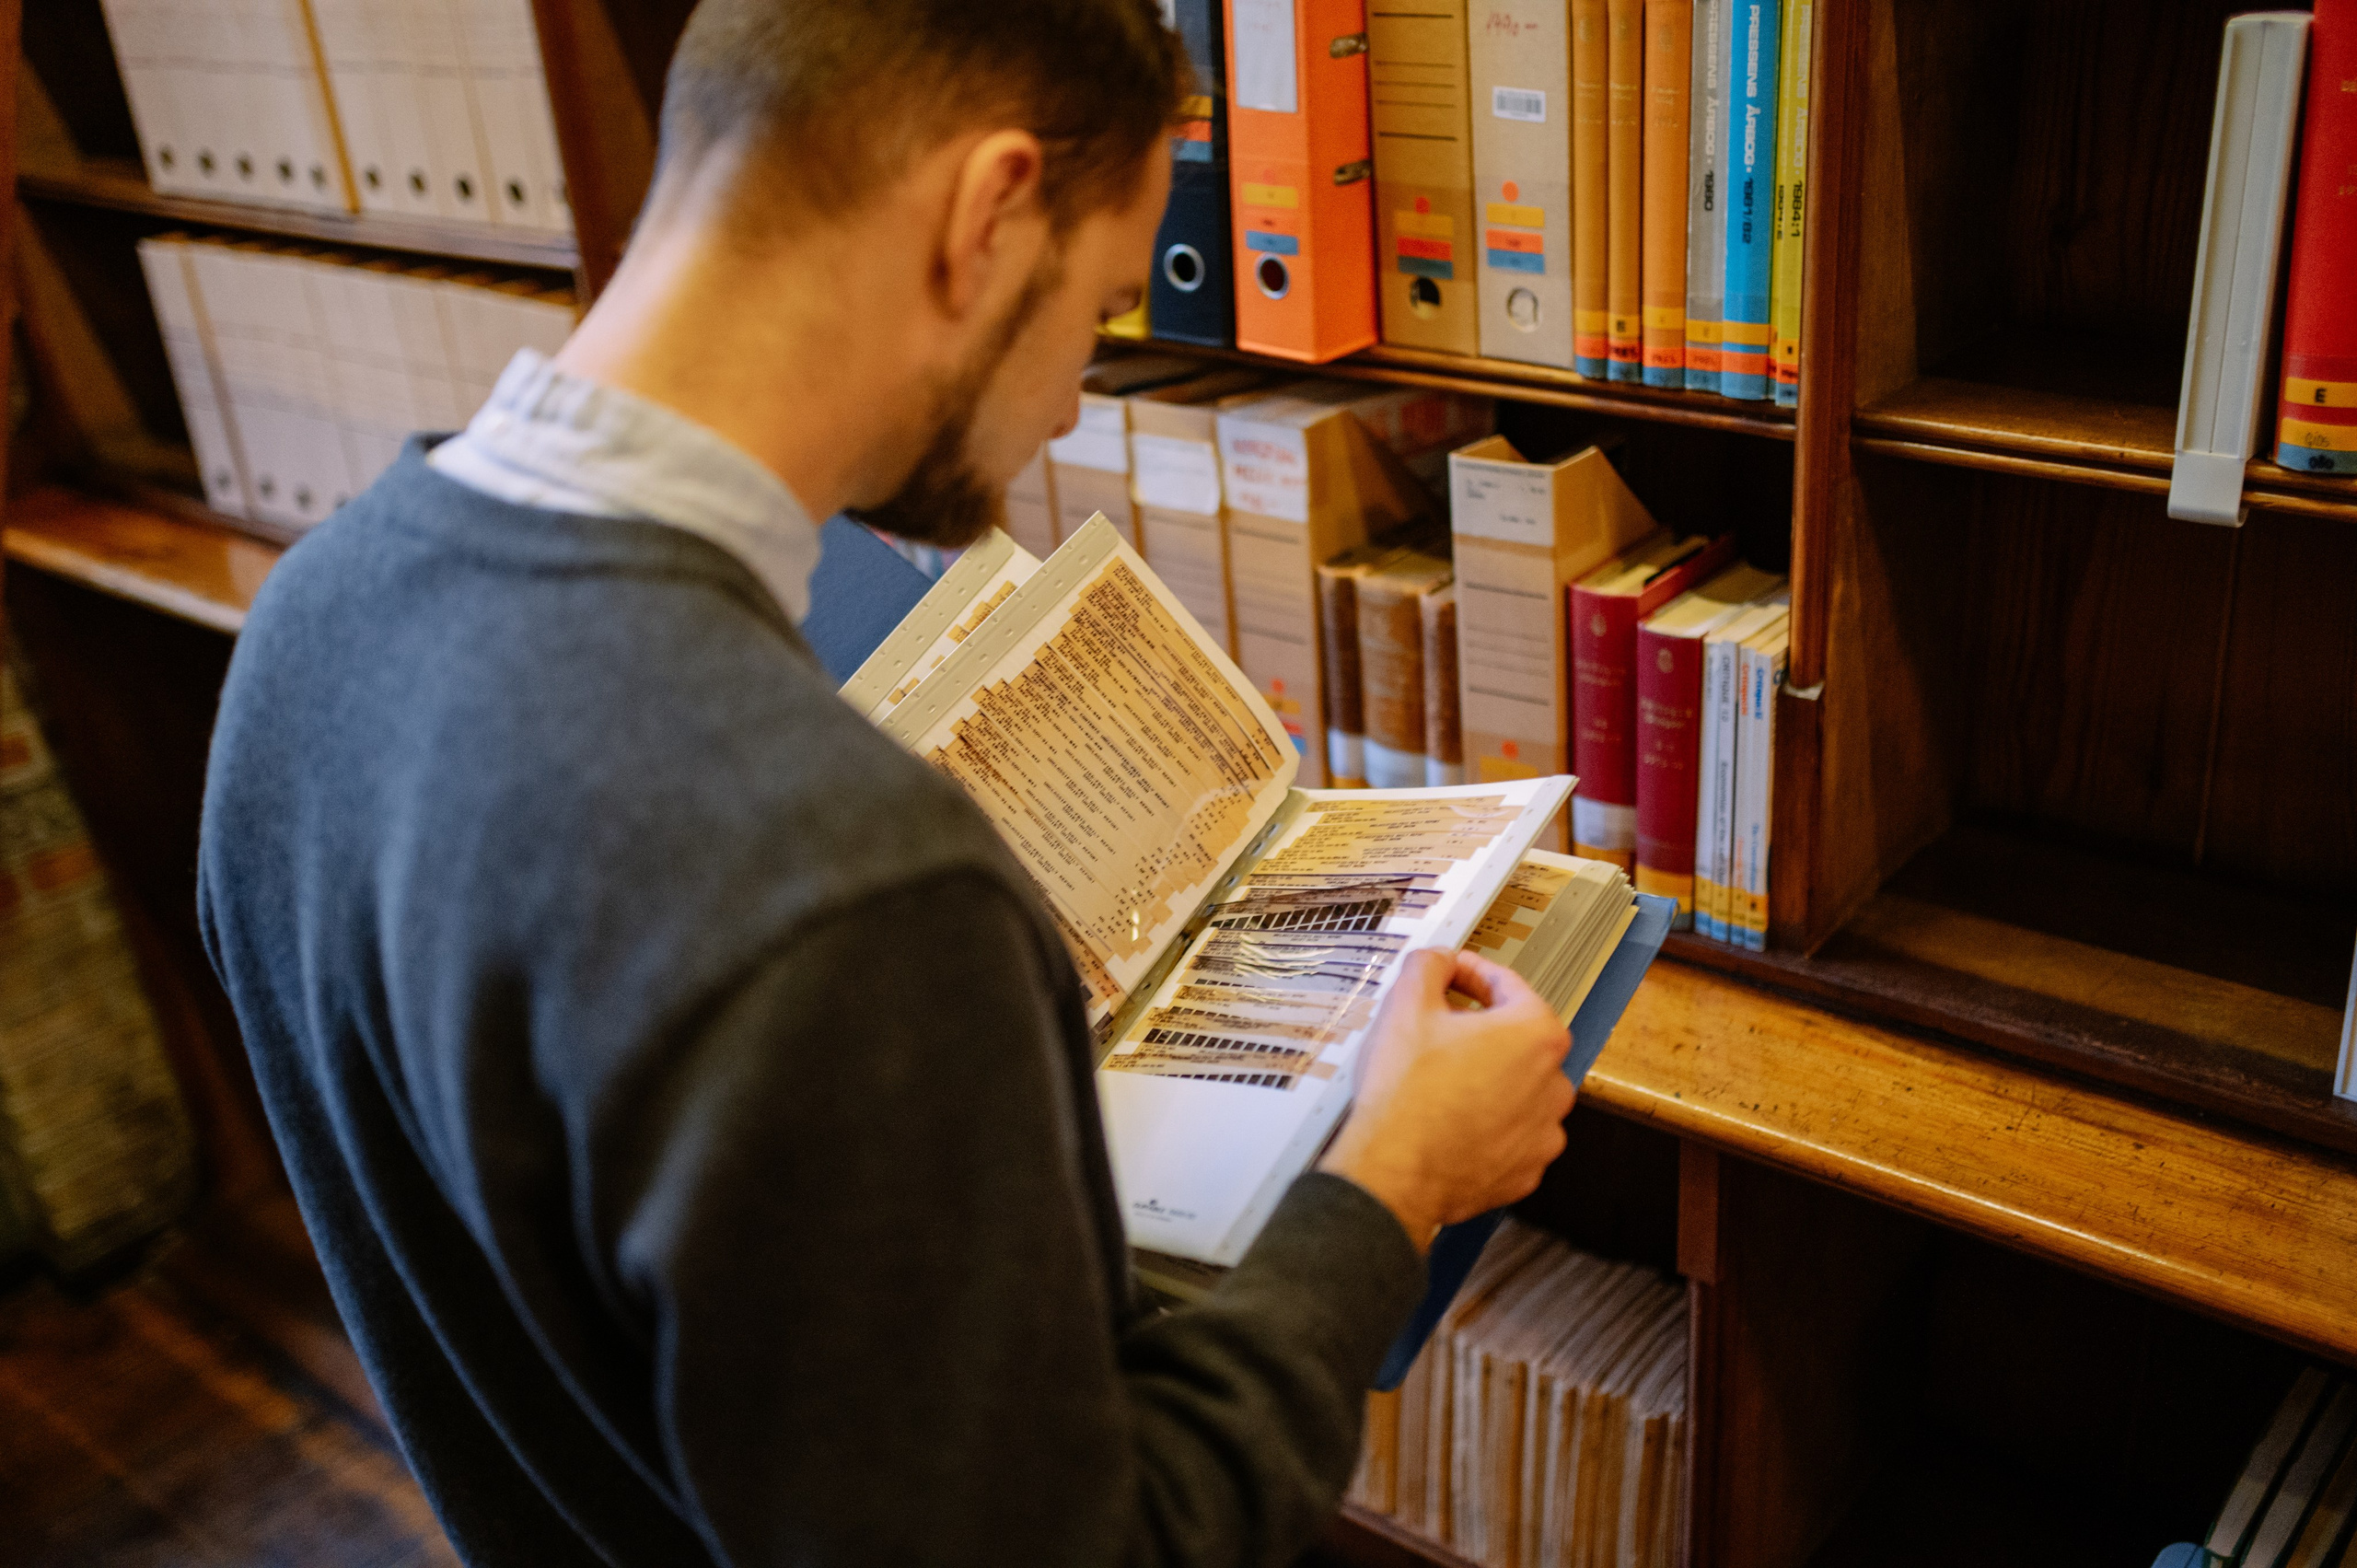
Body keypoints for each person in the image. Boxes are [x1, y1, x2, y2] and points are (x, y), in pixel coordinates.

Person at [195, 2, 1577, 1563]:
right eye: (1102, 310)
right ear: (986, 215)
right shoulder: (847, 880)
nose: (1069, 400)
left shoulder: (304, 627)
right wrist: (1392, 1184)